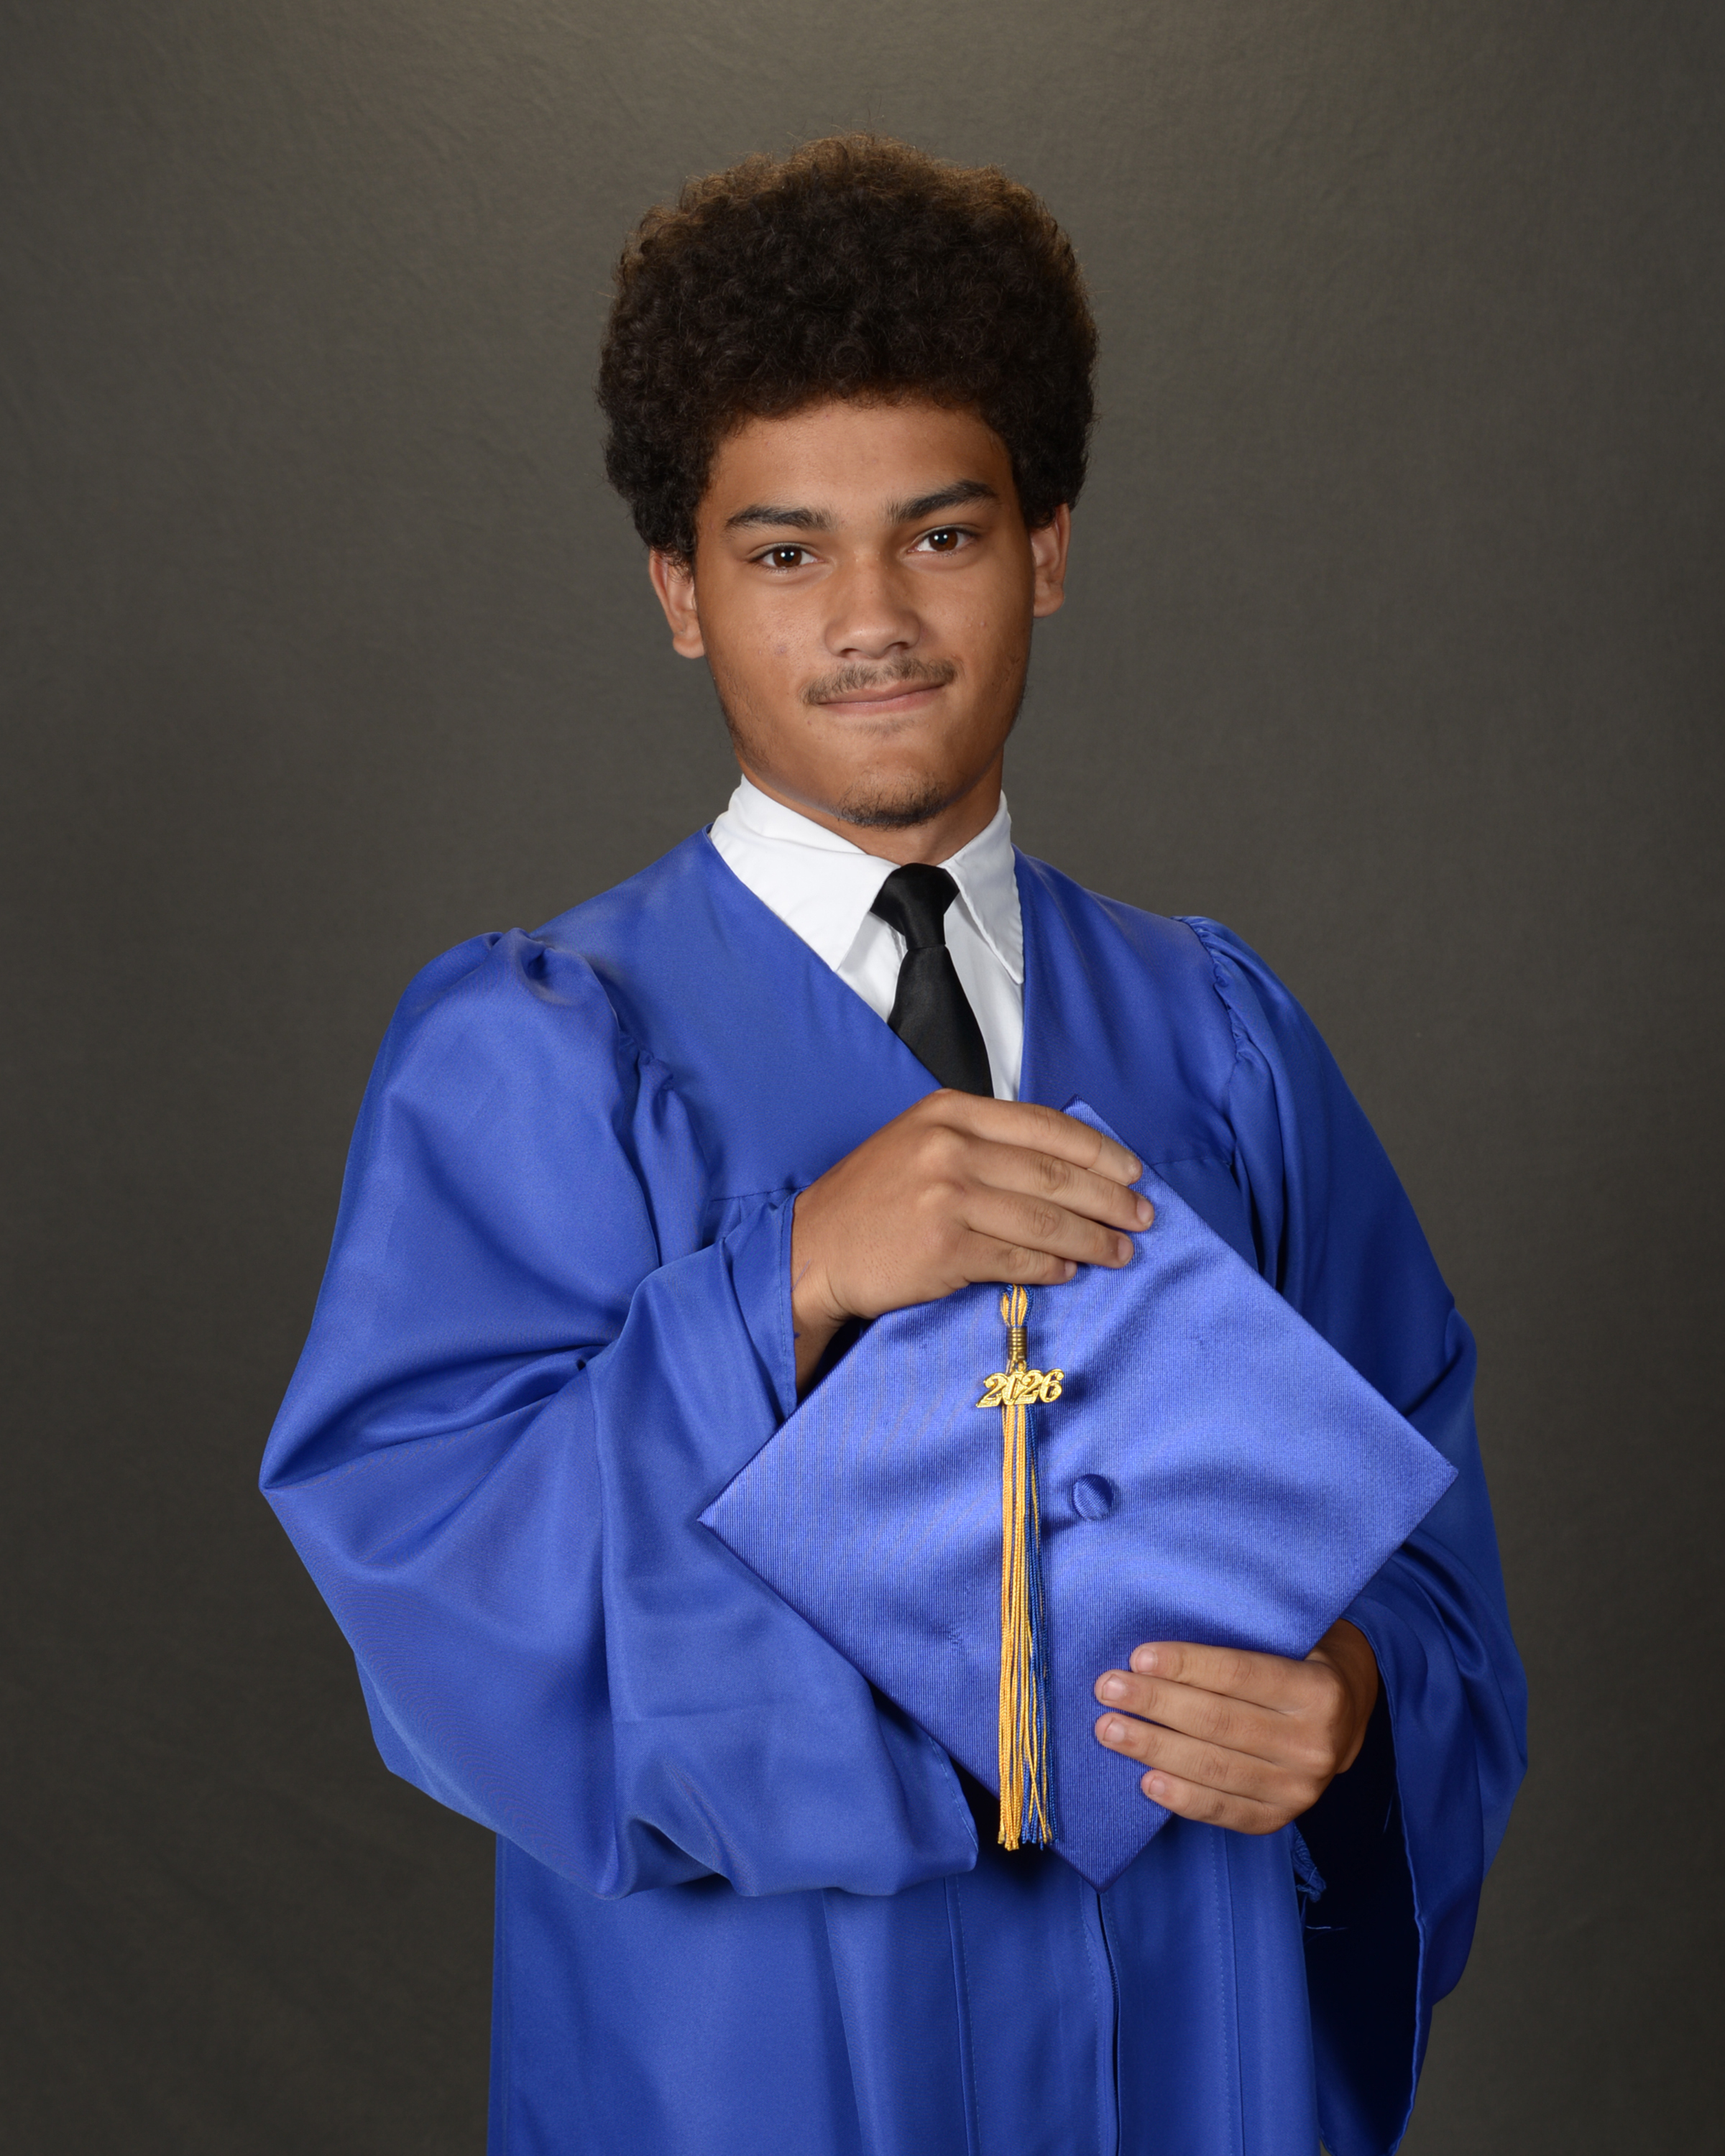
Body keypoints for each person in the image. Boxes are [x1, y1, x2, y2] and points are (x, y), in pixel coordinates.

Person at [262, 137, 1525, 2156]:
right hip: (758, 2056)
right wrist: (790, 1280)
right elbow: (432, 1569)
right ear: (681, 591)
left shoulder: (1219, 1038)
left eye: (941, 535)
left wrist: (1360, 1696)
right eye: (785, 554)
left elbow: (1419, 1520)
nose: (873, 619)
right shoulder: (545, 1053)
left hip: (1184, 2025)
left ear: (1046, 548)